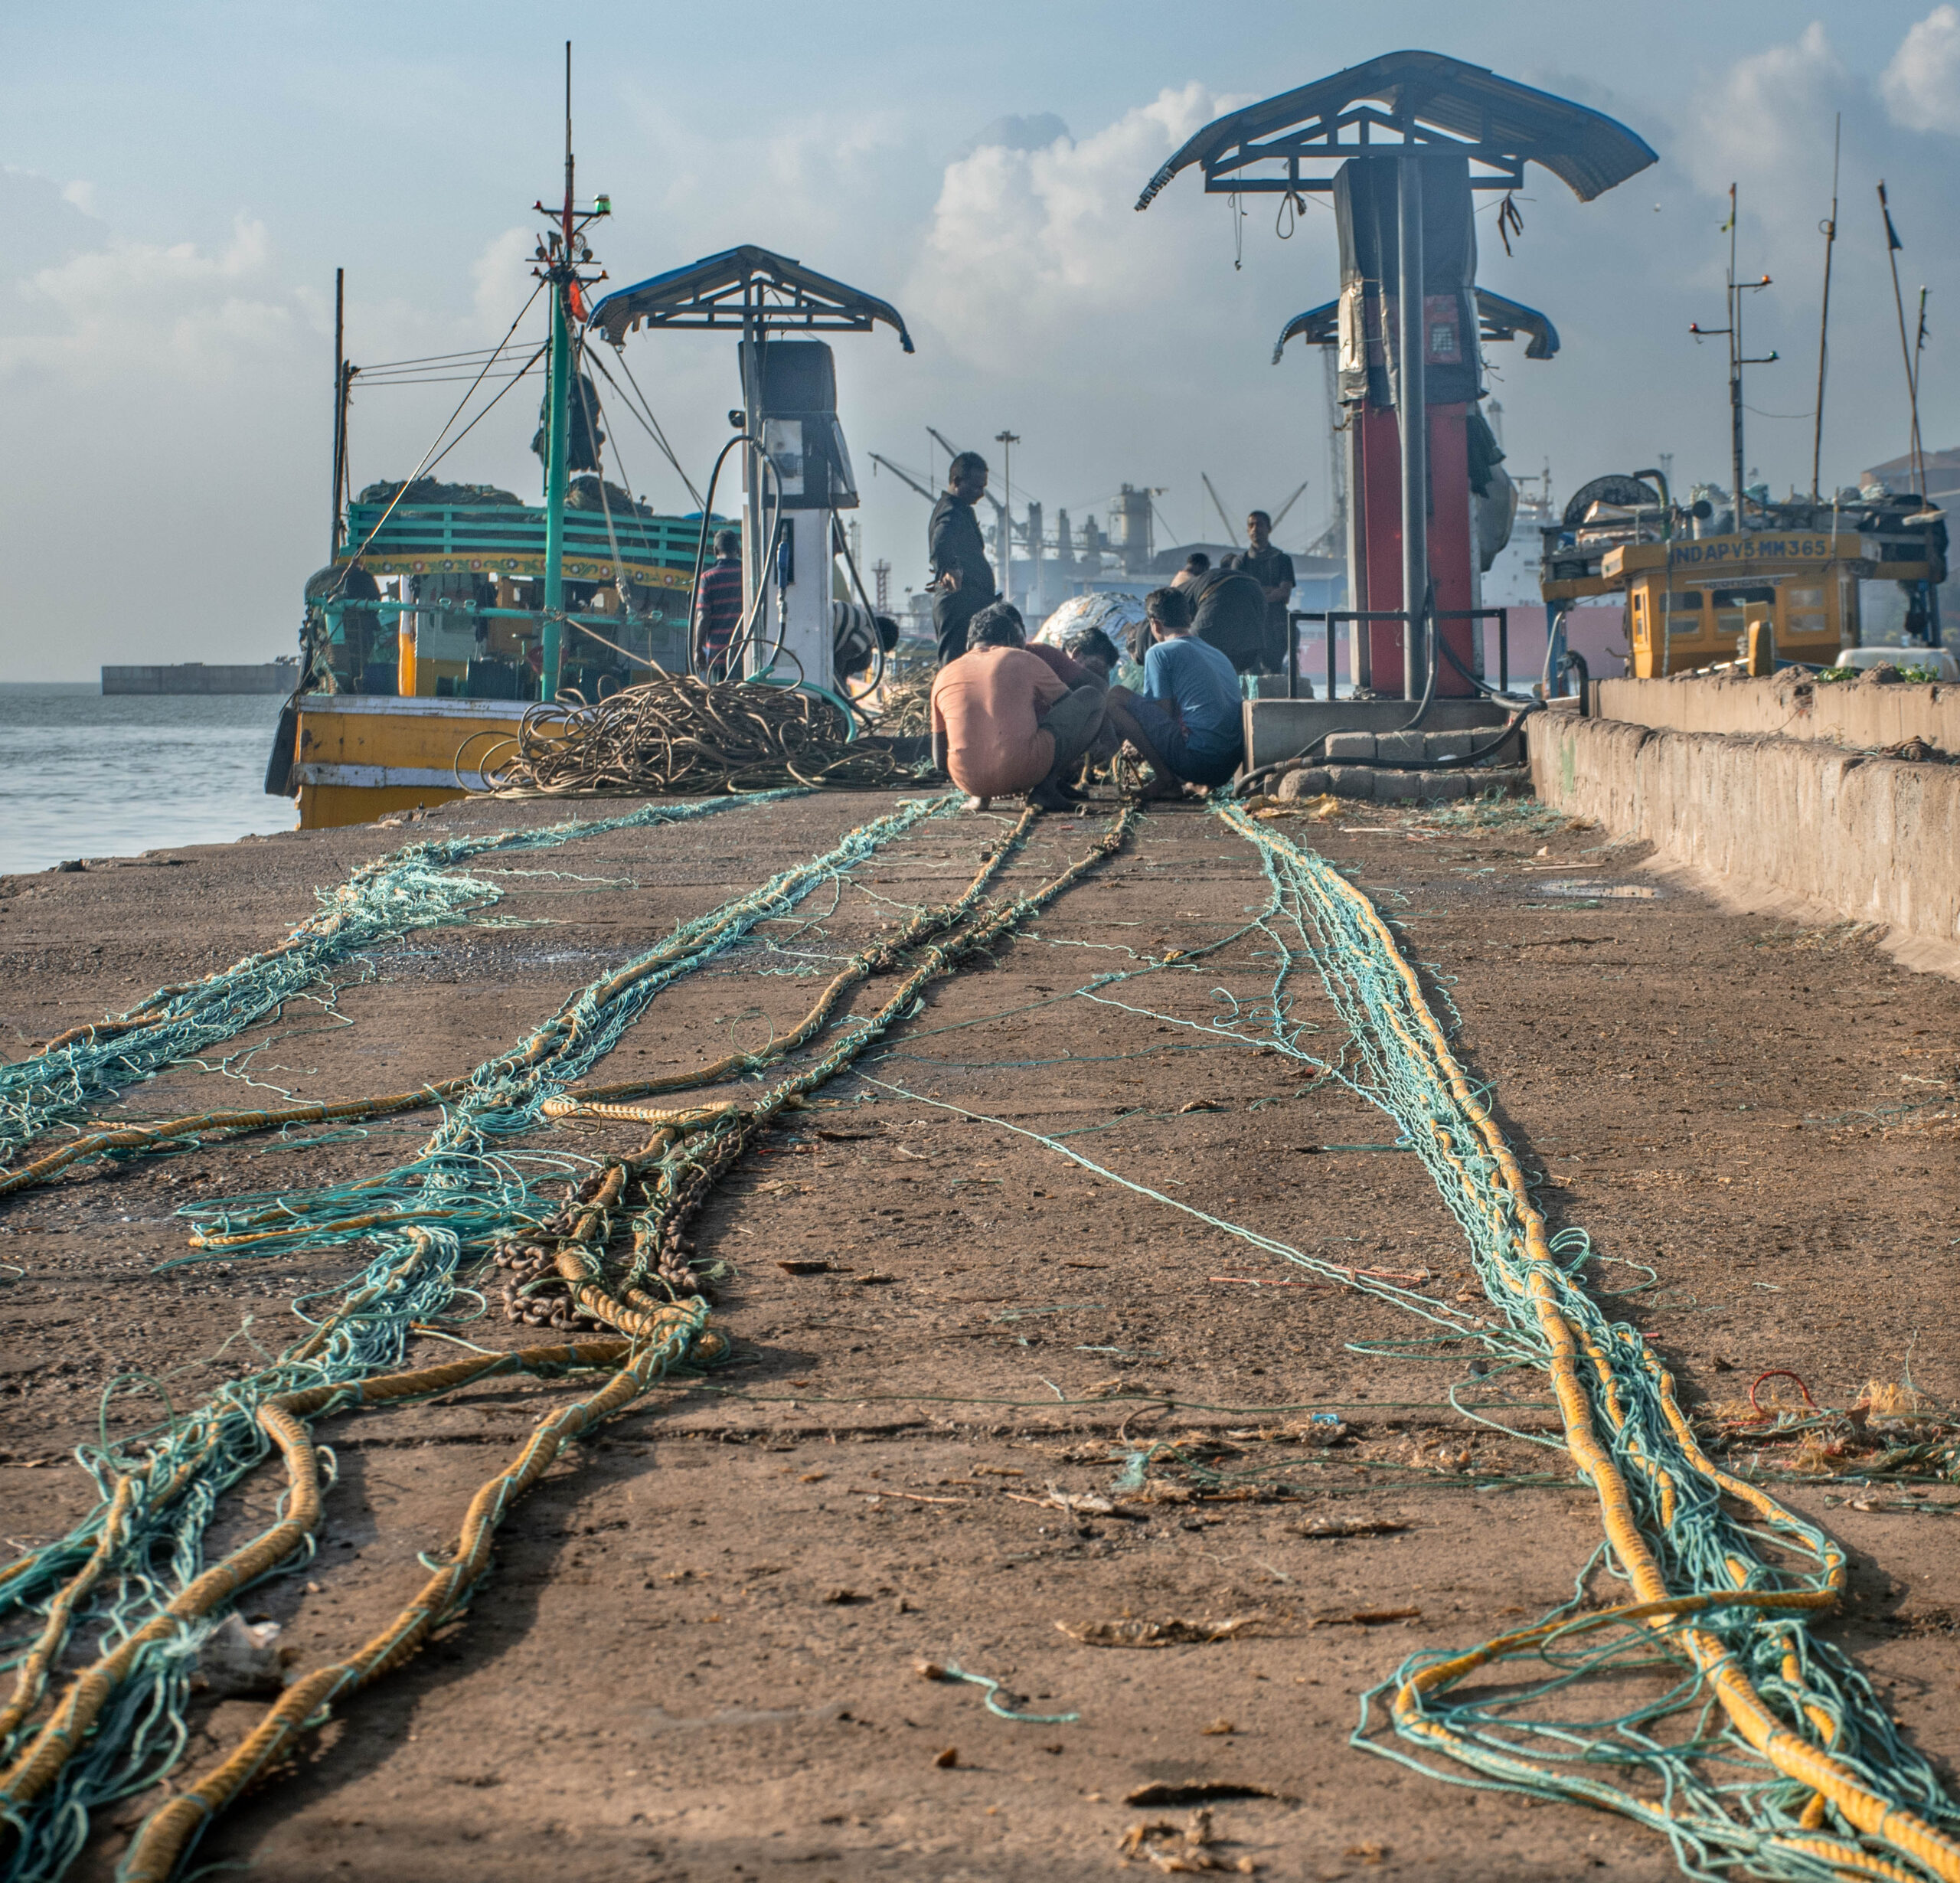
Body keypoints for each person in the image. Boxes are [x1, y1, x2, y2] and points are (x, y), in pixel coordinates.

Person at [930, 602, 1106, 812]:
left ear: (969, 644)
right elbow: (1071, 711)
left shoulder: (943, 675)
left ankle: (979, 798)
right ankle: (1046, 789)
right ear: (1010, 640)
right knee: (1092, 696)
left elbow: (939, 761)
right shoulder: (1023, 658)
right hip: (1025, 769)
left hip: (968, 780)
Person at [1102, 587, 1245, 799]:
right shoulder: (1216, 654)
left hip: (1197, 764)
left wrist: (1133, 739)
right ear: (1189, 618)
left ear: (1155, 624)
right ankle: (1179, 779)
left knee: (1115, 696)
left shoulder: (1159, 652)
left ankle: (1165, 780)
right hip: (1227, 768)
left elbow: (1163, 714)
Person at [928, 452, 997, 667]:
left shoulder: (960, 510)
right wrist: (949, 567)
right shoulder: (951, 511)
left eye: (984, 487)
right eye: (977, 487)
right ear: (957, 482)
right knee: (953, 666)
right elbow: (941, 539)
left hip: (969, 604)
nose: (982, 494)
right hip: (958, 606)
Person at [1223, 510, 1297, 674]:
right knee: (1250, 677)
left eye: (1260, 524)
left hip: (1276, 625)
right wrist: (1270, 590)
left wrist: (1254, 592)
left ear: (1269, 529)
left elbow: (1284, 593)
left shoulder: (1282, 560)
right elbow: (1238, 596)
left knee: (1274, 673)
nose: (1255, 529)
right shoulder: (1241, 562)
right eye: (1251, 525)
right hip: (1248, 628)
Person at [1187, 563, 1269, 674]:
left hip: (1221, 589)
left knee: (1191, 649)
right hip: (1256, 590)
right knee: (1234, 666)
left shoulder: (1172, 598)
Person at [694, 528, 744, 681]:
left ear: (714, 550)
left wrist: (698, 651)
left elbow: (703, 617)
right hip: (745, 656)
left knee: (720, 702)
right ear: (738, 550)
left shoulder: (708, 578)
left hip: (718, 657)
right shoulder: (748, 574)